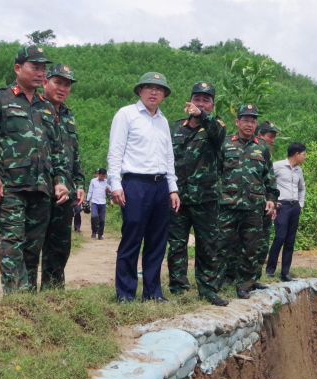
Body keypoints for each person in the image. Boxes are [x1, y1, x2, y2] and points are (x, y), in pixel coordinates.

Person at [0, 46, 69, 294]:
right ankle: (14, 300)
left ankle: (27, 300)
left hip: (42, 188)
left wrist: (60, 181)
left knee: (33, 246)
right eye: (35, 67)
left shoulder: (46, 106)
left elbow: (58, 149)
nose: (41, 73)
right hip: (10, 186)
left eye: (43, 68)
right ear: (18, 68)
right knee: (12, 242)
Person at [108, 72, 180, 302]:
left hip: (160, 186)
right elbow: (115, 151)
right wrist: (115, 184)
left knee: (157, 241)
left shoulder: (163, 120)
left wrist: (173, 188)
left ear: (164, 95)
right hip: (135, 184)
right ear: (140, 90)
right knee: (132, 238)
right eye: (149, 87)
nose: (154, 92)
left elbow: (169, 157)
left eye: (159, 89)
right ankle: (126, 293)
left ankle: (152, 293)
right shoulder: (126, 114)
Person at [166, 81, 228, 306]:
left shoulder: (216, 125)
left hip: (206, 198)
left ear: (212, 104)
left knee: (207, 245)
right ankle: (178, 287)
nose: (200, 103)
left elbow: (218, 132)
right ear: (190, 100)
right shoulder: (175, 127)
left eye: (206, 100)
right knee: (176, 244)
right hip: (177, 198)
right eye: (197, 99)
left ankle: (207, 288)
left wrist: (202, 115)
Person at [216, 104, 278, 299]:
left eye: (253, 121)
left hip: (253, 206)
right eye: (245, 120)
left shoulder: (262, 146)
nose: (249, 124)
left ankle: (245, 284)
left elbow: (269, 175)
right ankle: (216, 281)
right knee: (221, 243)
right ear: (237, 122)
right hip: (227, 204)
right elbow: (216, 172)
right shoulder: (225, 144)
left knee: (250, 247)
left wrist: (271, 198)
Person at [40, 63, 85, 289]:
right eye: (58, 82)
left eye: (67, 85)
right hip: (37, 187)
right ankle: (24, 299)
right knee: (32, 244)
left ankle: (53, 293)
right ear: (45, 82)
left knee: (60, 245)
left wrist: (79, 183)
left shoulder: (68, 115)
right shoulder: (34, 109)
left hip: (64, 191)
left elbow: (74, 153)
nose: (63, 88)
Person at [266, 143, 307, 281]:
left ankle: (285, 273)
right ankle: (270, 270)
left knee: (290, 240)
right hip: (282, 206)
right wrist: (272, 200)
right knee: (280, 237)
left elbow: (302, 188)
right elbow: (268, 183)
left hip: (294, 206)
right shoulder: (277, 166)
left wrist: (300, 204)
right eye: (304, 154)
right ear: (296, 154)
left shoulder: (299, 171)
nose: (304, 157)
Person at [254, 121, 279, 283]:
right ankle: (231, 277)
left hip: (265, 207)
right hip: (250, 206)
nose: (273, 140)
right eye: (270, 136)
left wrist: (273, 202)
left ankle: (255, 278)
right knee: (247, 242)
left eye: (274, 137)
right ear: (259, 135)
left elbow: (270, 183)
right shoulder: (251, 153)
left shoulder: (267, 156)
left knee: (263, 243)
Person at [87, 168, 110, 239]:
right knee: (94, 216)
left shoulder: (107, 182)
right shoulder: (93, 181)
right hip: (94, 202)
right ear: (98, 174)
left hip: (102, 202)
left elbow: (110, 191)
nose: (103, 177)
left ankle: (100, 234)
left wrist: (109, 190)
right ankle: (94, 231)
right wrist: (87, 200)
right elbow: (90, 191)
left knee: (102, 219)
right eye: (101, 176)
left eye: (104, 176)